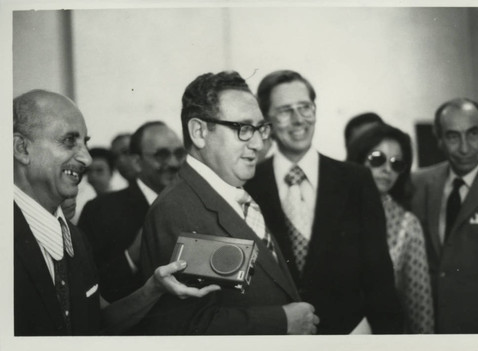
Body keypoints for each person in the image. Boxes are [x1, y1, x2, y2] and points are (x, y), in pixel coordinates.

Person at [13, 89, 219, 336]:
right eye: (69, 141)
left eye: (85, 143)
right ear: (21, 148)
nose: (86, 159)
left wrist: (154, 287)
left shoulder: (73, 238)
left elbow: (97, 321)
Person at [134, 71, 319, 335]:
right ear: (199, 132)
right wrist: (281, 321)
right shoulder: (179, 209)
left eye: (260, 128)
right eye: (243, 129)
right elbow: (189, 324)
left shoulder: (231, 194)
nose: (257, 143)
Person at [245, 70, 403, 334]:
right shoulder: (250, 184)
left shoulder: (356, 180)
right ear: (266, 122)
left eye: (305, 108)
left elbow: (380, 280)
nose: (298, 120)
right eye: (285, 111)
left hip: (349, 337)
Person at [78, 121, 186, 302]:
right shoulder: (100, 210)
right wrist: (130, 258)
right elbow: (85, 286)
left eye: (179, 154)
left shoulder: (192, 203)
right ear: (137, 162)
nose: (174, 163)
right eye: (162, 155)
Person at [411, 98, 478, 334]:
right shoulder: (418, 183)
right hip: (432, 327)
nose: (465, 147)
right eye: (453, 136)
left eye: (473, 133)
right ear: (439, 140)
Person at [346, 123, 434, 333]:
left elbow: (420, 308)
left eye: (397, 164)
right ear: (359, 158)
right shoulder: (333, 211)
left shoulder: (407, 224)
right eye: (377, 159)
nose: (387, 170)